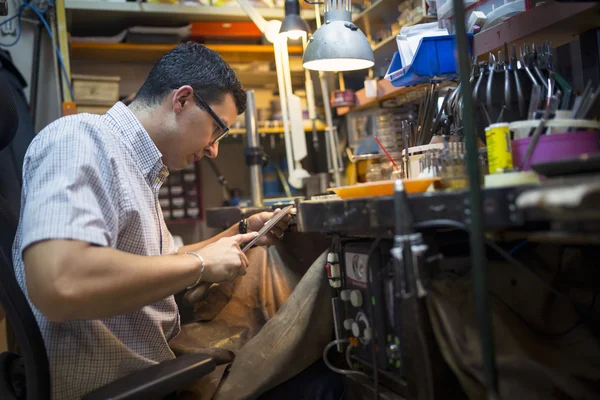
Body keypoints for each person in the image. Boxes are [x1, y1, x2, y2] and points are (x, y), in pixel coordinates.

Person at [11, 42, 293, 399]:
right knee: (317, 383)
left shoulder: (136, 168)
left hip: (145, 373)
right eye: (217, 129)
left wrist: (240, 231)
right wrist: (202, 263)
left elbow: (155, 265)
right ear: (183, 100)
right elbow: (60, 281)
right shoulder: (81, 139)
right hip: (120, 386)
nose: (213, 149)